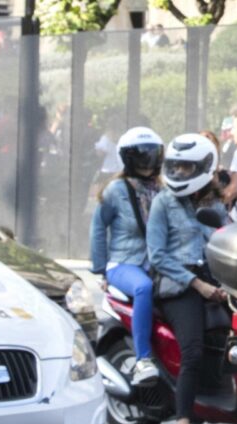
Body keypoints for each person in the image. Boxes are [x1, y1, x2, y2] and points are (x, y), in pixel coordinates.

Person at [148, 134, 230, 424]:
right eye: (176, 166)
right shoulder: (163, 202)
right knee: (192, 351)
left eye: (187, 166)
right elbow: (157, 255)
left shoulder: (216, 204)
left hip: (212, 280)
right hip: (177, 284)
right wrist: (197, 284)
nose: (180, 172)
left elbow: (224, 242)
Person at [90, 126, 165, 386]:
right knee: (143, 288)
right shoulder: (115, 190)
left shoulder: (163, 189)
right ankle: (143, 359)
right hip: (124, 263)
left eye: (152, 153)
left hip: (158, 263)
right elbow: (98, 228)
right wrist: (101, 269)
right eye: (142, 154)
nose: (148, 159)